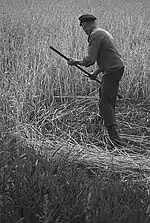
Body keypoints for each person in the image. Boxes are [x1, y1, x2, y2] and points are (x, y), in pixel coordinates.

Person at [68, 14, 125, 147]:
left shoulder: (95, 35)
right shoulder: (103, 33)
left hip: (112, 71)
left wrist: (74, 61)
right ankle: (103, 122)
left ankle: (114, 139)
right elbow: (106, 56)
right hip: (115, 68)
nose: (83, 31)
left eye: (82, 27)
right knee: (106, 96)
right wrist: (95, 73)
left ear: (87, 24)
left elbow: (90, 60)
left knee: (105, 102)